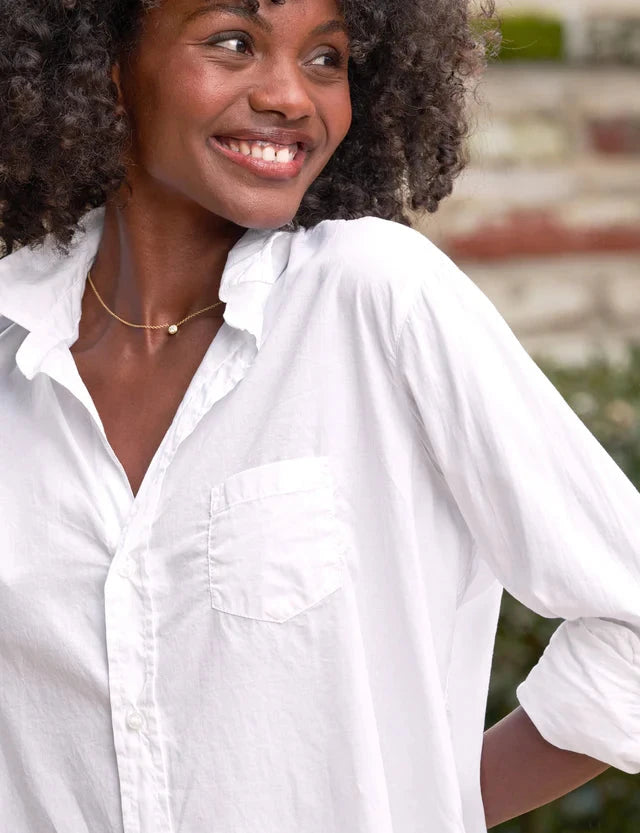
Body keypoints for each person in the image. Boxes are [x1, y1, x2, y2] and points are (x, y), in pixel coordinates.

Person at [0, 1, 638, 832]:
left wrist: (427, 804)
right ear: (106, 66)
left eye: (327, 59)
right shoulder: (14, 344)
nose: (291, 96)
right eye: (235, 43)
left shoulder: (377, 296)